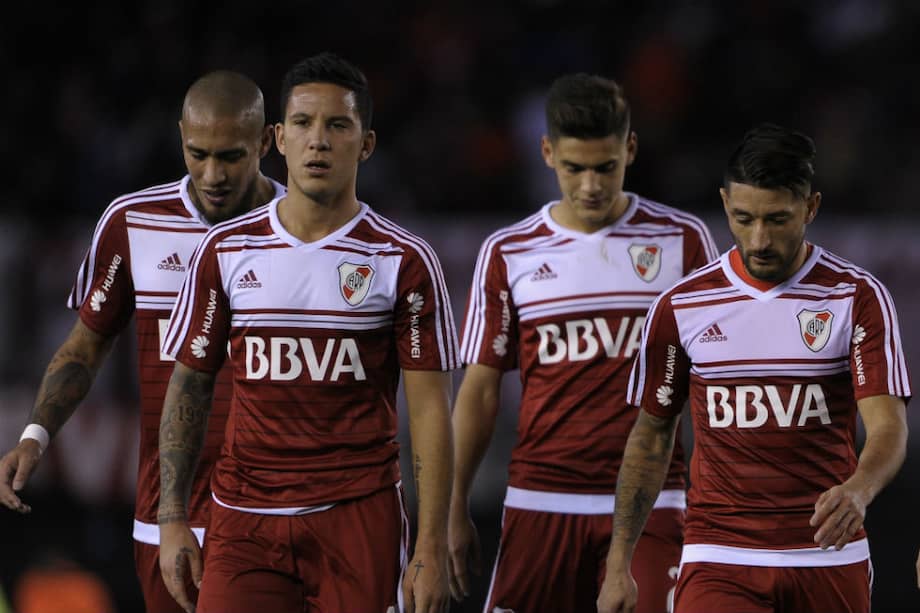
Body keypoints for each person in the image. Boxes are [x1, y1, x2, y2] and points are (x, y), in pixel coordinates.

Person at [156, 51, 459, 613]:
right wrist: (173, 519)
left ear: (365, 144)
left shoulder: (403, 260)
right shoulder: (224, 250)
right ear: (277, 137)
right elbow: (190, 385)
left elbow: (431, 414)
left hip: (358, 518)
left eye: (337, 125)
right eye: (303, 123)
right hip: (243, 521)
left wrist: (432, 546)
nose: (318, 140)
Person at [597, 122, 911, 613]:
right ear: (725, 205)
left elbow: (888, 426)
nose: (759, 238)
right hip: (719, 556)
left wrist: (859, 490)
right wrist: (620, 562)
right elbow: (652, 435)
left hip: (827, 556)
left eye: (778, 219)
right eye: (744, 218)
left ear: (811, 208)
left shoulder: (856, 297)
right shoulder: (682, 305)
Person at [0, 70, 283, 612]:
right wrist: (35, 436)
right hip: (168, 512)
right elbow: (86, 347)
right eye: (198, 153)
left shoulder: (303, 233)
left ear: (266, 142)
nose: (212, 174)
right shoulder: (133, 222)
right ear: (180, 136)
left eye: (230, 156)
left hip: (276, 509)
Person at [448, 73, 718, 613]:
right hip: (541, 499)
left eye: (605, 167)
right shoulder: (510, 251)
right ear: (547, 152)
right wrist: (451, 508)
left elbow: (717, 382)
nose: (591, 185)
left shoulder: (682, 241)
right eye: (574, 168)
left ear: (630, 149)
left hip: (653, 502)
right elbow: (479, 390)